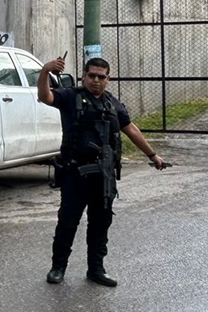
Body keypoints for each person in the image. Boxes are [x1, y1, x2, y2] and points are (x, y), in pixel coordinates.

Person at [38, 55, 168, 287]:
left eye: (101, 77)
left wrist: (152, 155)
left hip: (103, 177)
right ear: (83, 76)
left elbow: (132, 130)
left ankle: (96, 269)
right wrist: (46, 71)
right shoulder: (71, 97)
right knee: (67, 223)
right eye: (91, 76)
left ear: (108, 79)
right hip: (75, 174)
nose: (95, 81)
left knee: (100, 224)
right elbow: (45, 96)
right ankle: (58, 268)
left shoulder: (113, 104)